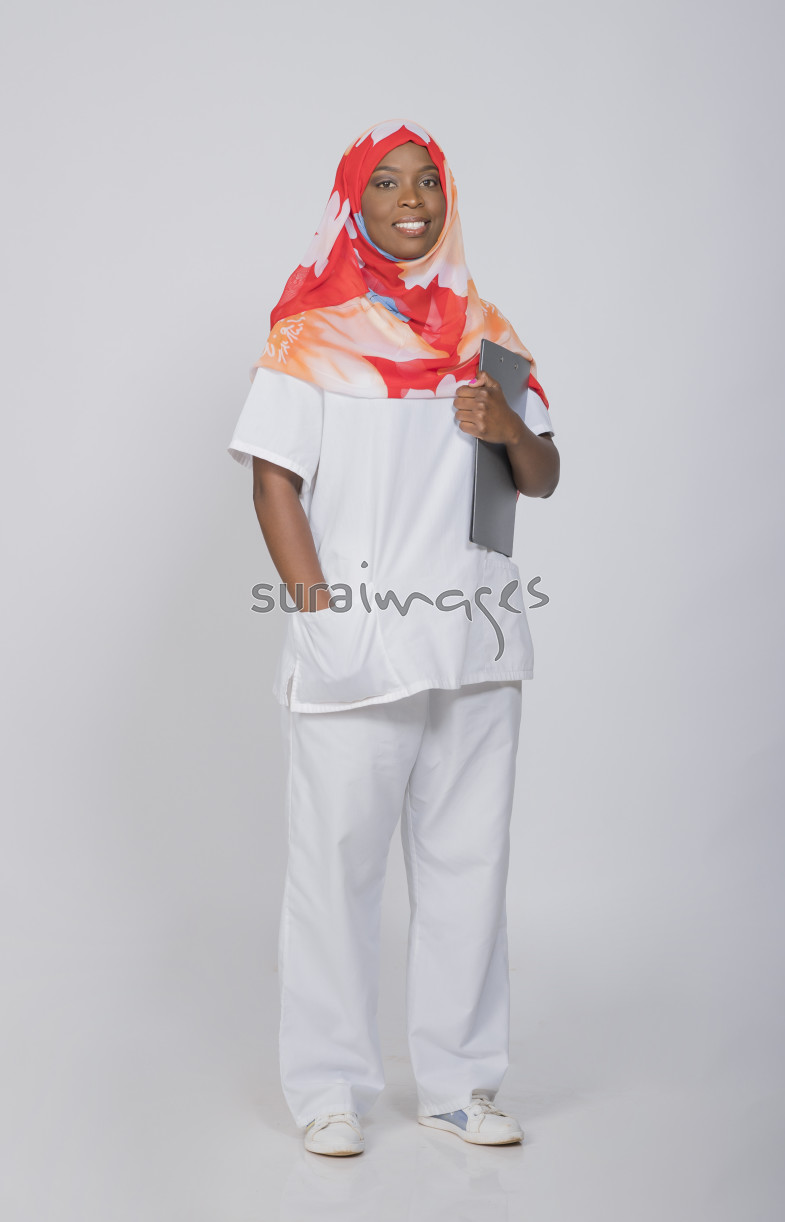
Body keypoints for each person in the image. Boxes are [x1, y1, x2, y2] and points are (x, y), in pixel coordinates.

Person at [228, 118, 560, 1156]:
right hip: (358, 647)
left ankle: (460, 1084)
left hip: (474, 645)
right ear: (353, 201)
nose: (410, 198)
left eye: (426, 180)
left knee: (469, 869)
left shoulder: (487, 329)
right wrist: (320, 618)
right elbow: (272, 481)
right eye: (385, 181)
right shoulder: (309, 333)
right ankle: (329, 1087)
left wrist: (506, 426)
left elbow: (542, 475)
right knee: (335, 875)